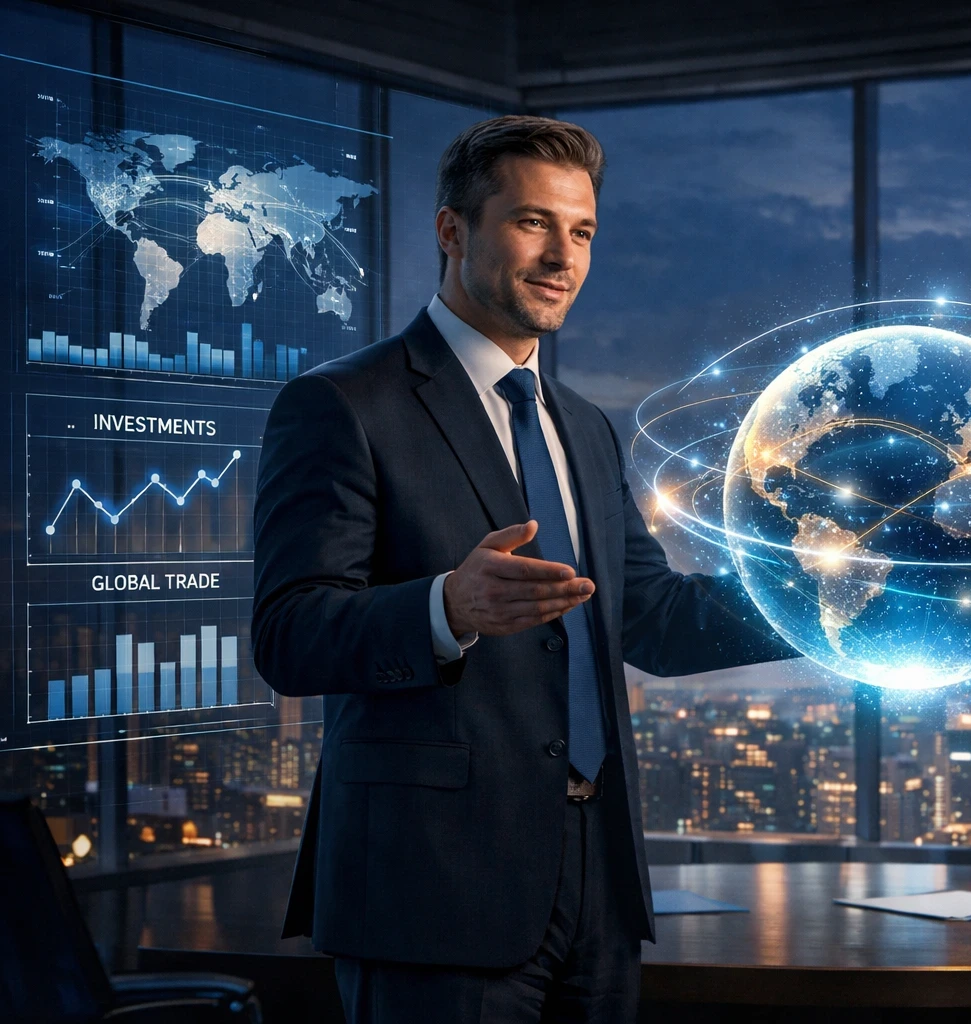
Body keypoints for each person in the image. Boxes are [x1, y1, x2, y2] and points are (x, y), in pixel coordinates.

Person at [252, 114, 795, 1023]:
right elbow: (288, 633)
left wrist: (820, 606)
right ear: (452, 230)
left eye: (581, 231)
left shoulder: (581, 425)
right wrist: (444, 607)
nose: (563, 256)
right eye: (532, 222)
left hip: (596, 886)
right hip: (433, 891)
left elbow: (649, 616)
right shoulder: (343, 405)